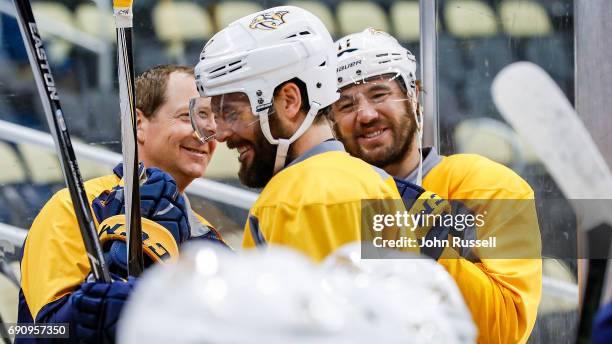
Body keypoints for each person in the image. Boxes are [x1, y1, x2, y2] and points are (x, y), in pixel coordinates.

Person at [330, 28, 542, 344]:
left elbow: (506, 329)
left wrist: (427, 237)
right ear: (331, 122)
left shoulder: (488, 186)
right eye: (346, 105)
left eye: (379, 94)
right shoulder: (327, 200)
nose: (366, 114)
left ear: (414, 96)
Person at [190, 6, 436, 262]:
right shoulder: (368, 178)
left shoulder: (299, 199)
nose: (221, 135)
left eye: (232, 113)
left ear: (289, 101)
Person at [17, 64, 224, 343]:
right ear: (139, 124)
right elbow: (43, 332)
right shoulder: (74, 207)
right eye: (190, 116)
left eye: (212, 121)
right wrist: (108, 305)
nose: (207, 132)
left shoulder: (207, 235)